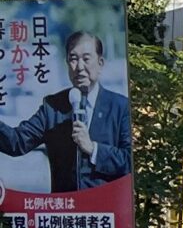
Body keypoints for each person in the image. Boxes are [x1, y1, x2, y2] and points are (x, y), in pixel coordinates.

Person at [0, 29, 133, 194]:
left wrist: (93, 149)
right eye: (73, 59)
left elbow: (129, 160)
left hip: (105, 211)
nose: (80, 67)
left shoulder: (120, 107)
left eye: (86, 58)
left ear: (100, 64)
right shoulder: (53, 106)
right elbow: (17, 142)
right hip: (64, 210)